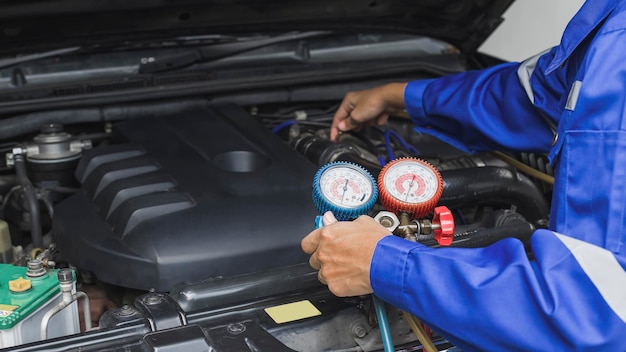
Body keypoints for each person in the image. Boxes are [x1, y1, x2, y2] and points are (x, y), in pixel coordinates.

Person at [301, 0, 626, 350]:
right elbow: (535, 93)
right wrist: (403, 97)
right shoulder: (611, 24)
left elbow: (591, 319)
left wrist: (385, 264)